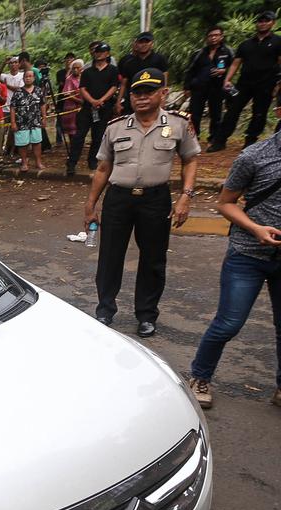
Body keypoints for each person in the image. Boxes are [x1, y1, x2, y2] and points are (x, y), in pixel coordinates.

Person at [83, 68, 199, 337]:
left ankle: (146, 315)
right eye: (137, 92)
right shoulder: (116, 127)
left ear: (163, 93)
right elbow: (102, 168)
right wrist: (91, 204)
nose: (142, 97)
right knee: (110, 256)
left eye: (149, 91)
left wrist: (186, 196)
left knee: (153, 260)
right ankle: (105, 310)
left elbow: (191, 160)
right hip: (118, 198)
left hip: (156, 199)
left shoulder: (179, 124)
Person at [187, 100, 281, 409]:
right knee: (229, 323)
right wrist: (256, 228)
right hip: (248, 254)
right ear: (278, 111)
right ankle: (200, 375)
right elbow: (224, 203)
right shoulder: (255, 156)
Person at [209, 11, 281, 152]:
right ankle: (220, 141)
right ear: (257, 23)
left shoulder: (277, 42)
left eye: (266, 21)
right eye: (260, 21)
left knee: (259, 113)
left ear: (272, 23)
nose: (263, 23)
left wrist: (279, 84)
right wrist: (227, 79)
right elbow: (236, 63)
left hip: (266, 84)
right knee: (232, 111)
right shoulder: (246, 44)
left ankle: (250, 141)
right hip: (244, 84)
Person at [67, 42, 121, 177]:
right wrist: (92, 101)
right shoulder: (88, 72)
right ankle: (71, 163)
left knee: (98, 136)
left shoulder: (113, 70)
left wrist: (102, 100)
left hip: (104, 108)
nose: (99, 54)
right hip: (87, 108)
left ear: (107, 53)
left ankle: (92, 161)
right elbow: (82, 89)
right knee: (79, 136)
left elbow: (114, 87)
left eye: (102, 51)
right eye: (97, 52)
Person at [185, 26, 233, 140]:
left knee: (216, 114)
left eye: (216, 35)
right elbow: (190, 70)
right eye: (211, 36)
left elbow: (234, 66)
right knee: (194, 114)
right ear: (206, 38)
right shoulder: (199, 53)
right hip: (199, 87)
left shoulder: (227, 52)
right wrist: (186, 87)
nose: (213, 38)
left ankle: (214, 138)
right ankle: (194, 137)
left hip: (217, 87)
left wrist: (224, 71)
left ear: (221, 36)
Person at [117, 31, 168, 115]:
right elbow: (123, 84)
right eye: (141, 42)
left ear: (152, 44)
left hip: (153, 97)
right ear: (136, 44)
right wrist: (118, 102)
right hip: (134, 99)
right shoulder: (129, 63)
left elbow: (164, 80)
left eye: (147, 42)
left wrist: (163, 99)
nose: (144, 44)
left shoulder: (159, 59)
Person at [11, 69, 48, 171]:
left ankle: (38, 162)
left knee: (37, 142)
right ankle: (24, 162)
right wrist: (13, 122)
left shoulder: (38, 90)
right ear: (23, 78)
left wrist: (44, 117)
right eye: (26, 76)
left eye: (30, 76)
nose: (28, 78)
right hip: (21, 121)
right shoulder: (18, 92)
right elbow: (13, 107)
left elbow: (43, 104)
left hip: (36, 121)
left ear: (34, 78)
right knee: (22, 143)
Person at [59, 59, 85, 146]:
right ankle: (73, 146)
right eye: (74, 68)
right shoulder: (69, 79)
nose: (76, 70)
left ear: (82, 68)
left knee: (82, 126)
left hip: (84, 105)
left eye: (78, 68)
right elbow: (67, 93)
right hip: (72, 106)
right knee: (72, 129)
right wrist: (79, 101)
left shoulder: (85, 77)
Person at [55, 53, 77, 145]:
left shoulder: (78, 72)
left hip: (75, 100)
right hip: (62, 99)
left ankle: (75, 139)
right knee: (59, 119)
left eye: (71, 59)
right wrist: (69, 71)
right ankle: (59, 139)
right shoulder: (60, 73)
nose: (69, 61)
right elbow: (63, 83)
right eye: (67, 59)